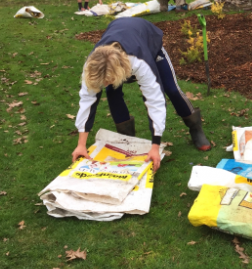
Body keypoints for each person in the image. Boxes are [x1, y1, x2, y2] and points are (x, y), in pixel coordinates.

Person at [71, 18, 211, 171]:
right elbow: (87, 101)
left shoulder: (139, 61)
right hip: (119, 47)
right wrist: (81, 145)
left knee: (171, 89)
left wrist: (155, 146)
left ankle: (195, 127)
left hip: (148, 45)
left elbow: (155, 100)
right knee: (112, 92)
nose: (103, 85)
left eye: (108, 80)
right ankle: (128, 141)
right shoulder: (93, 66)